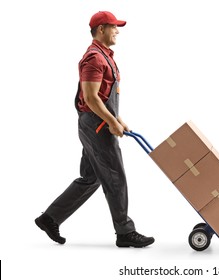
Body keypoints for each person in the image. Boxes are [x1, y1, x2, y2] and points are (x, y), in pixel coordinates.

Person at [35, 11, 154, 248]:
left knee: (91, 178)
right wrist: (110, 122)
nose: (117, 31)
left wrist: (118, 118)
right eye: (114, 27)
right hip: (96, 126)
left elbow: (102, 96)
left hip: (99, 122)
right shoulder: (94, 59)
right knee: (115, 176)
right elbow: (90, 98)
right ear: (101, 29)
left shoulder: (105, 56)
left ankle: (50, 218)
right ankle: (125, 232)